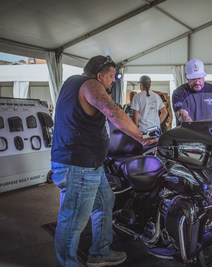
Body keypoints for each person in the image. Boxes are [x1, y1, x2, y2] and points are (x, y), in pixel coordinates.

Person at [51, 55, 155, 267]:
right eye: (111, 76)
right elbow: (113, 112)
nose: (114, 80)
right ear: (99, 76)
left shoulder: (72, 82)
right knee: (72, 222)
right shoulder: (90, 85)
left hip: (90, 166)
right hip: (78, 167)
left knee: (105, 202)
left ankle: (100, 252)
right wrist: (141, 138)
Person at [172, 58, 212, 124]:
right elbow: (183, 114)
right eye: (193, 79)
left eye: (199, 78)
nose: (197, 82)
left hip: (209, 132)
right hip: (187, 132)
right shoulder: (179, 93)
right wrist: (196, 127)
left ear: (204, 75)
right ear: (186, 77)